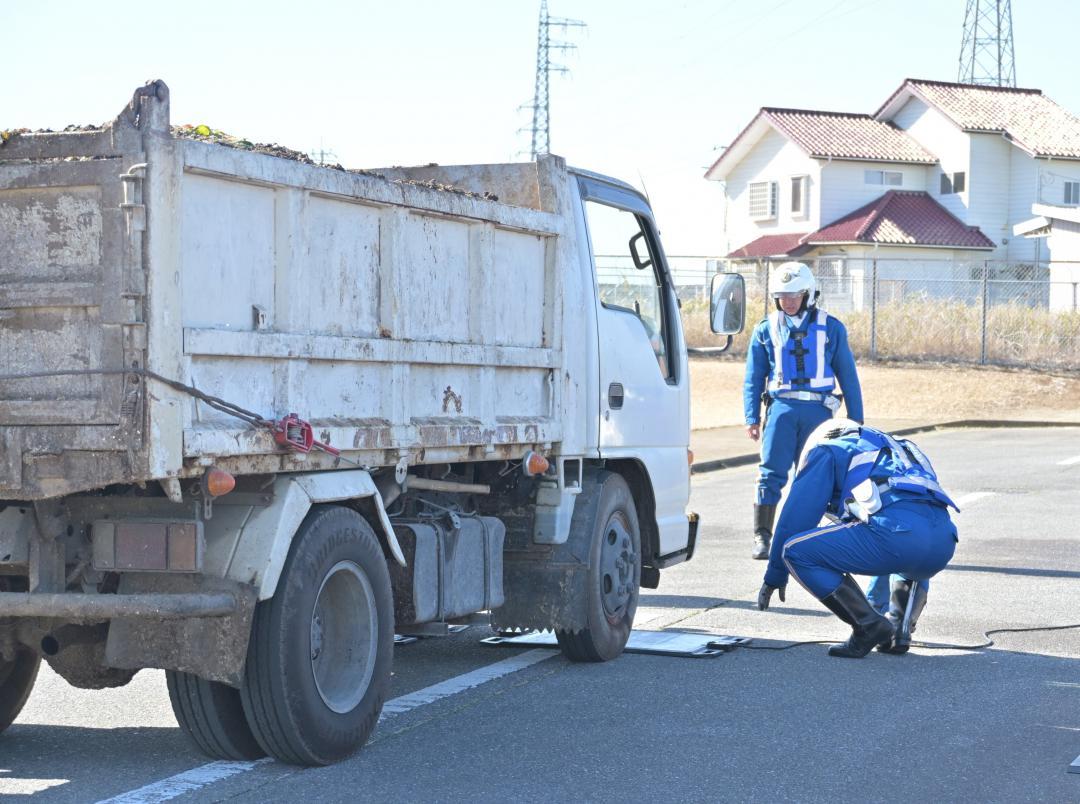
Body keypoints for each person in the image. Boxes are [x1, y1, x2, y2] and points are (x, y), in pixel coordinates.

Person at [756, 420, 959, 658]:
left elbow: (797, 516)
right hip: (944, 543)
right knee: (907, 546)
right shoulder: (901, 450)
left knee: (795, 551)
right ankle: (898, 630)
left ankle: (868, 626)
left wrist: (776, 574)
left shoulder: (827, 450)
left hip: (898, 537)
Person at [743, 262, 863, 560]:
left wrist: (856, 418)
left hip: (818, 412)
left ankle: (804, 536)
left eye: (795, 295)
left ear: (809, 294)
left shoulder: (831, 328)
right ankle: (762, 536)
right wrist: (751, 417)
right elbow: (754, 376)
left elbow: (847, 374)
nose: (789, 301)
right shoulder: (765, 329)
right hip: (781, 409)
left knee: (813, 475)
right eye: (783, 296)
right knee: (770, 471)